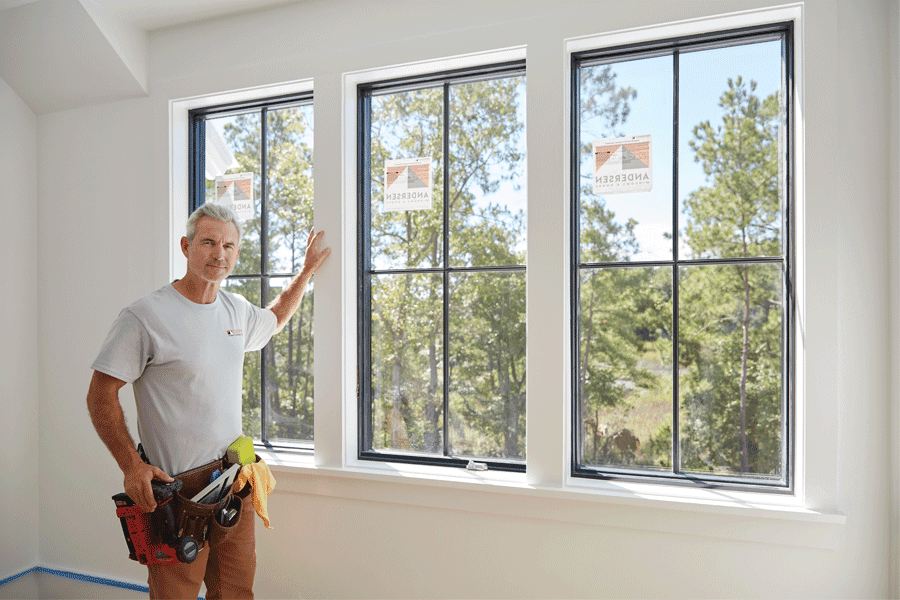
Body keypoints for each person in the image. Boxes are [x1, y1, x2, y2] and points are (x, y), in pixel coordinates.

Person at [87, 203, 330, 599]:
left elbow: (276, 317)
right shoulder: (145, 316)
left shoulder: (236, 309)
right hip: (175, 490)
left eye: (229, 245)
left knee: (236, 591)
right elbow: (100, 394)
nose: (220, 254)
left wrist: (305, 274)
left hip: (234, 478)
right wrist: (132, 467)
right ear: (186, 246)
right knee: (174, 595)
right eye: (209, 242)